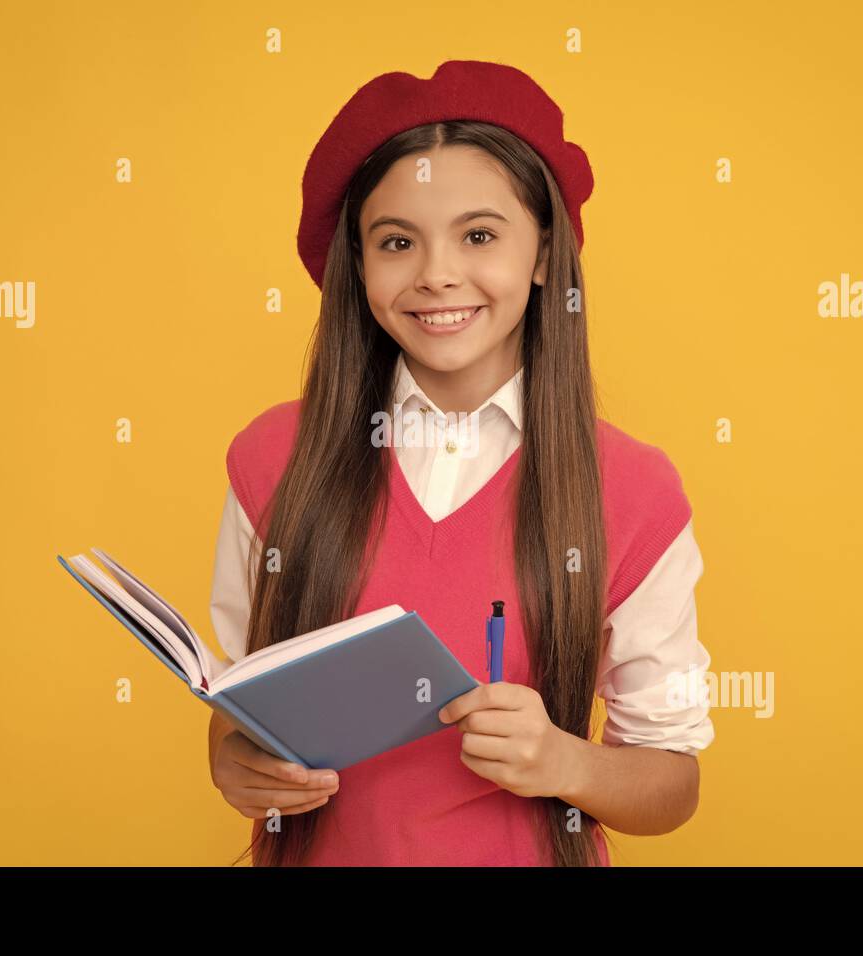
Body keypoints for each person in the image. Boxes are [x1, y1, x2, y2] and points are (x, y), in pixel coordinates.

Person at [207, 60, 713, 866]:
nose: (437, 273)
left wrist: (565, 762)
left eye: (479, 235)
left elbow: (673, 784)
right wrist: (233, 763)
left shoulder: (635, 493)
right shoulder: (273, 460)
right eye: (397, 241)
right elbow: (239, 706)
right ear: (359, 265)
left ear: (545, 253)